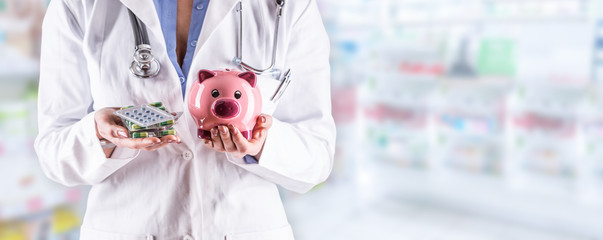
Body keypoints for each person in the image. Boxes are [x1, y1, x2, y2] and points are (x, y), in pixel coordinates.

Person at [34, 0, 335, 239]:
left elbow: (316, 157)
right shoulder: (78, 4)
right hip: (127, 226)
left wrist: (259, 144)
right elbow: (53, 151)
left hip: (244, 226)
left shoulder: (288, 5)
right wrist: (101, 135)